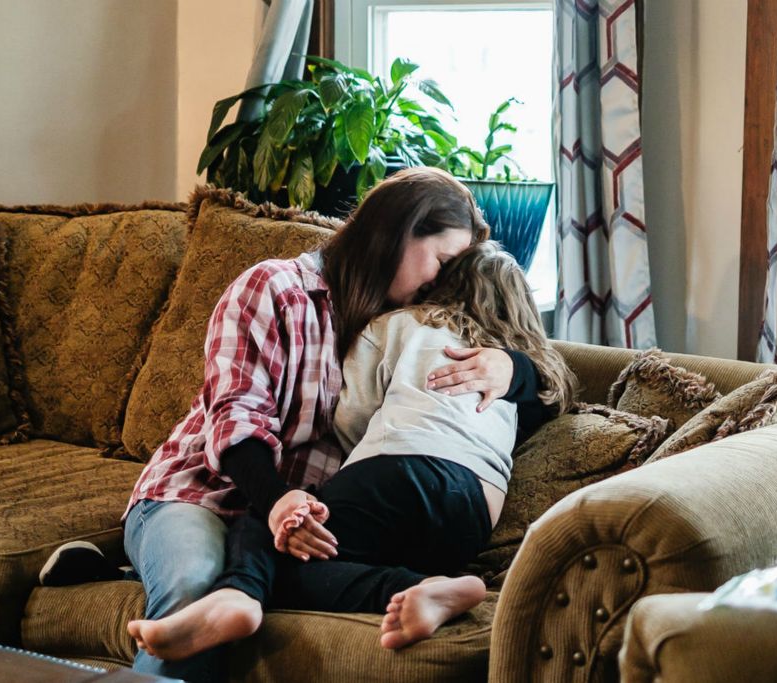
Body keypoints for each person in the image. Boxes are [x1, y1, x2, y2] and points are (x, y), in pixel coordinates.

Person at [103, 167, 549, 682]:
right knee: (196, 585)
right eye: (441, 262)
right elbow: (235, 417)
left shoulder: (403, 322)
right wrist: (276, 500)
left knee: (266, 580)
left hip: (306, 519)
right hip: (203, 493)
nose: (438, 282)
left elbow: (543, 394)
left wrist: (511, 369)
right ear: (401, 230)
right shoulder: (274, 287)